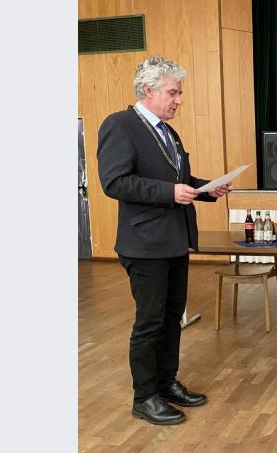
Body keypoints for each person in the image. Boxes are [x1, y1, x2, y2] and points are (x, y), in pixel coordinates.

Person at [97, 56, 230, 425]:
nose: (179, 100)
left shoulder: (169, 132)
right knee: (150, 321)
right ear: (148, 90)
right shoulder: (119, 126)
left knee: (173, 318)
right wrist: (170, 192)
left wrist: (206, 189)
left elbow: (179, 180)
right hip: (144, 245)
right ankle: (144, 397)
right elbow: (115, 182)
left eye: (179, 93)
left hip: (174, 241)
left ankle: (166, 383)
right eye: (173, 93)